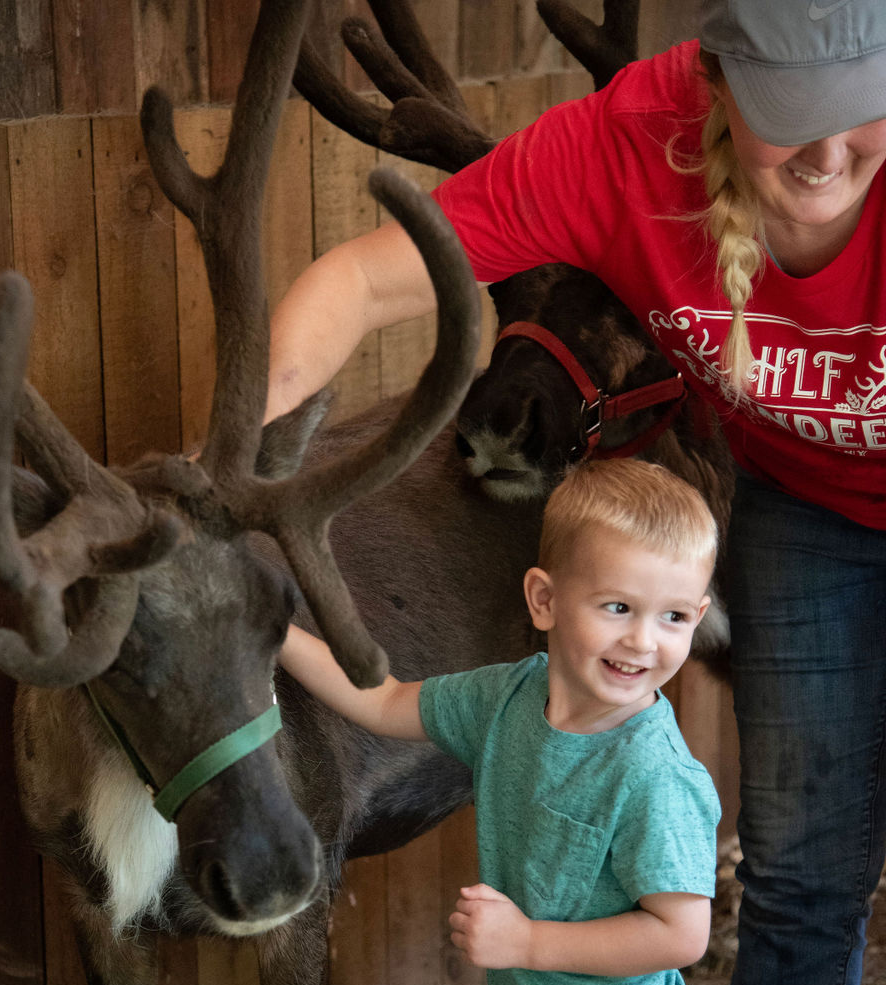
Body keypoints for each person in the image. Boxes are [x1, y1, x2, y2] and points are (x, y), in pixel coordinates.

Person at [266, 1, 886, 981]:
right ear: (715, 89)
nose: (825, 149)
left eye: (860, 107)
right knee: (803, 868)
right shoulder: (633, 144)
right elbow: (362, 283)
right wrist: (251, 448)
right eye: (790, 109)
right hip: (805, 509)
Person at [279, 458, 720, 984]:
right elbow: (384, 701)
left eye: (673, 616)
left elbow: (680, 936)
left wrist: (529, 942)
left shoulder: (656, 775)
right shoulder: (506, 698)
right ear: (545, 600)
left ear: (699, 614)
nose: (644, 642)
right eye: (618, 607)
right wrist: (275, 630)